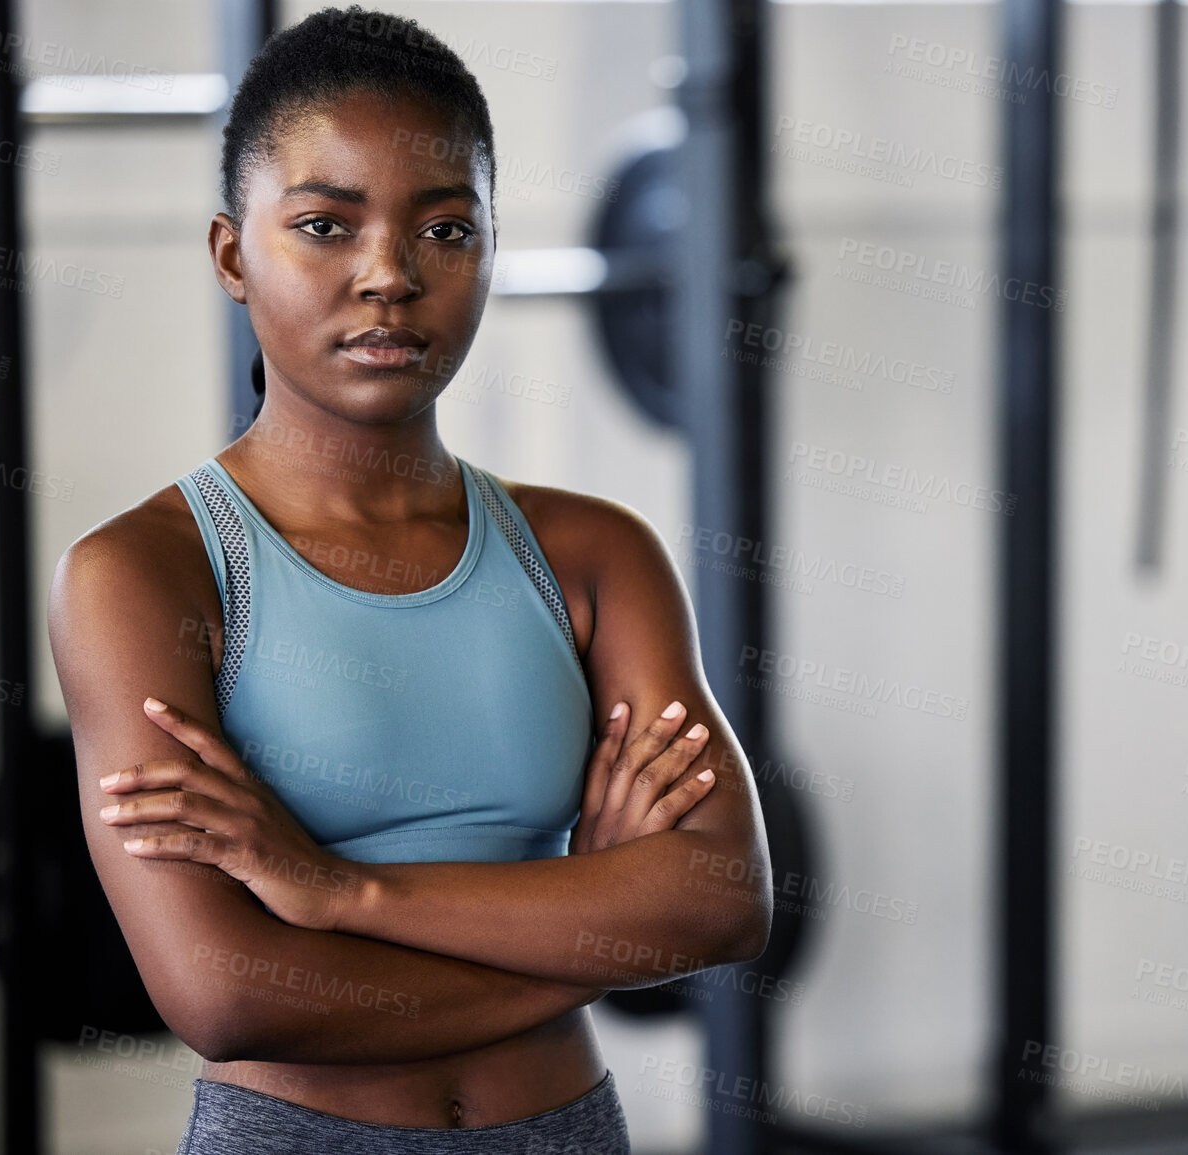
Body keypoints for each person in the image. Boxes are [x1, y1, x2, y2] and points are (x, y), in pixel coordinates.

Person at [45, 7, 771, 1151]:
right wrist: (595, 937)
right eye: (326, 226)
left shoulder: (592, 555)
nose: (389, 276)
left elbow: (722, 897)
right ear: (234, 254)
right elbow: (229, 994)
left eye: (444, 230)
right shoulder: (144, 575)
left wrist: (340, 896)